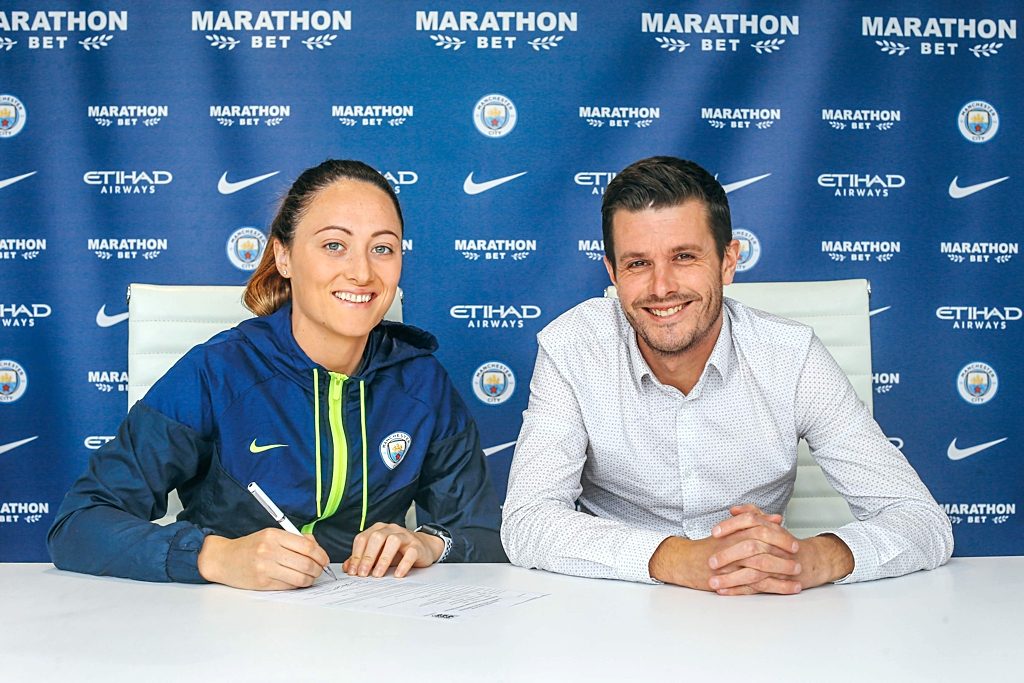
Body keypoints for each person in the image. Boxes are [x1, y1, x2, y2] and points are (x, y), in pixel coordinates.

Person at [501, 156, 953, 595]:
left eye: (684, 256)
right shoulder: (572, 349)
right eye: (638, 263)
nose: (661, 288)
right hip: (617, 605)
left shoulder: (792, 356)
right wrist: (677, 558)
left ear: (728, 261)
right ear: (612, 273)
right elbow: (527, 520)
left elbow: (921, 521)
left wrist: (809, 559)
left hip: (760, 612)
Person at [49, 159, 506, 590]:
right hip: (225, 630)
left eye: (382, 248)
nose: (362, 271)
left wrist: (429, 542)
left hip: (369, 629)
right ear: (283, 257)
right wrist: (214, 557)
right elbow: (79, 523)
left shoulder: (421, 382)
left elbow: (483, 533)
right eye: (334, 245)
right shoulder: (217, 371)